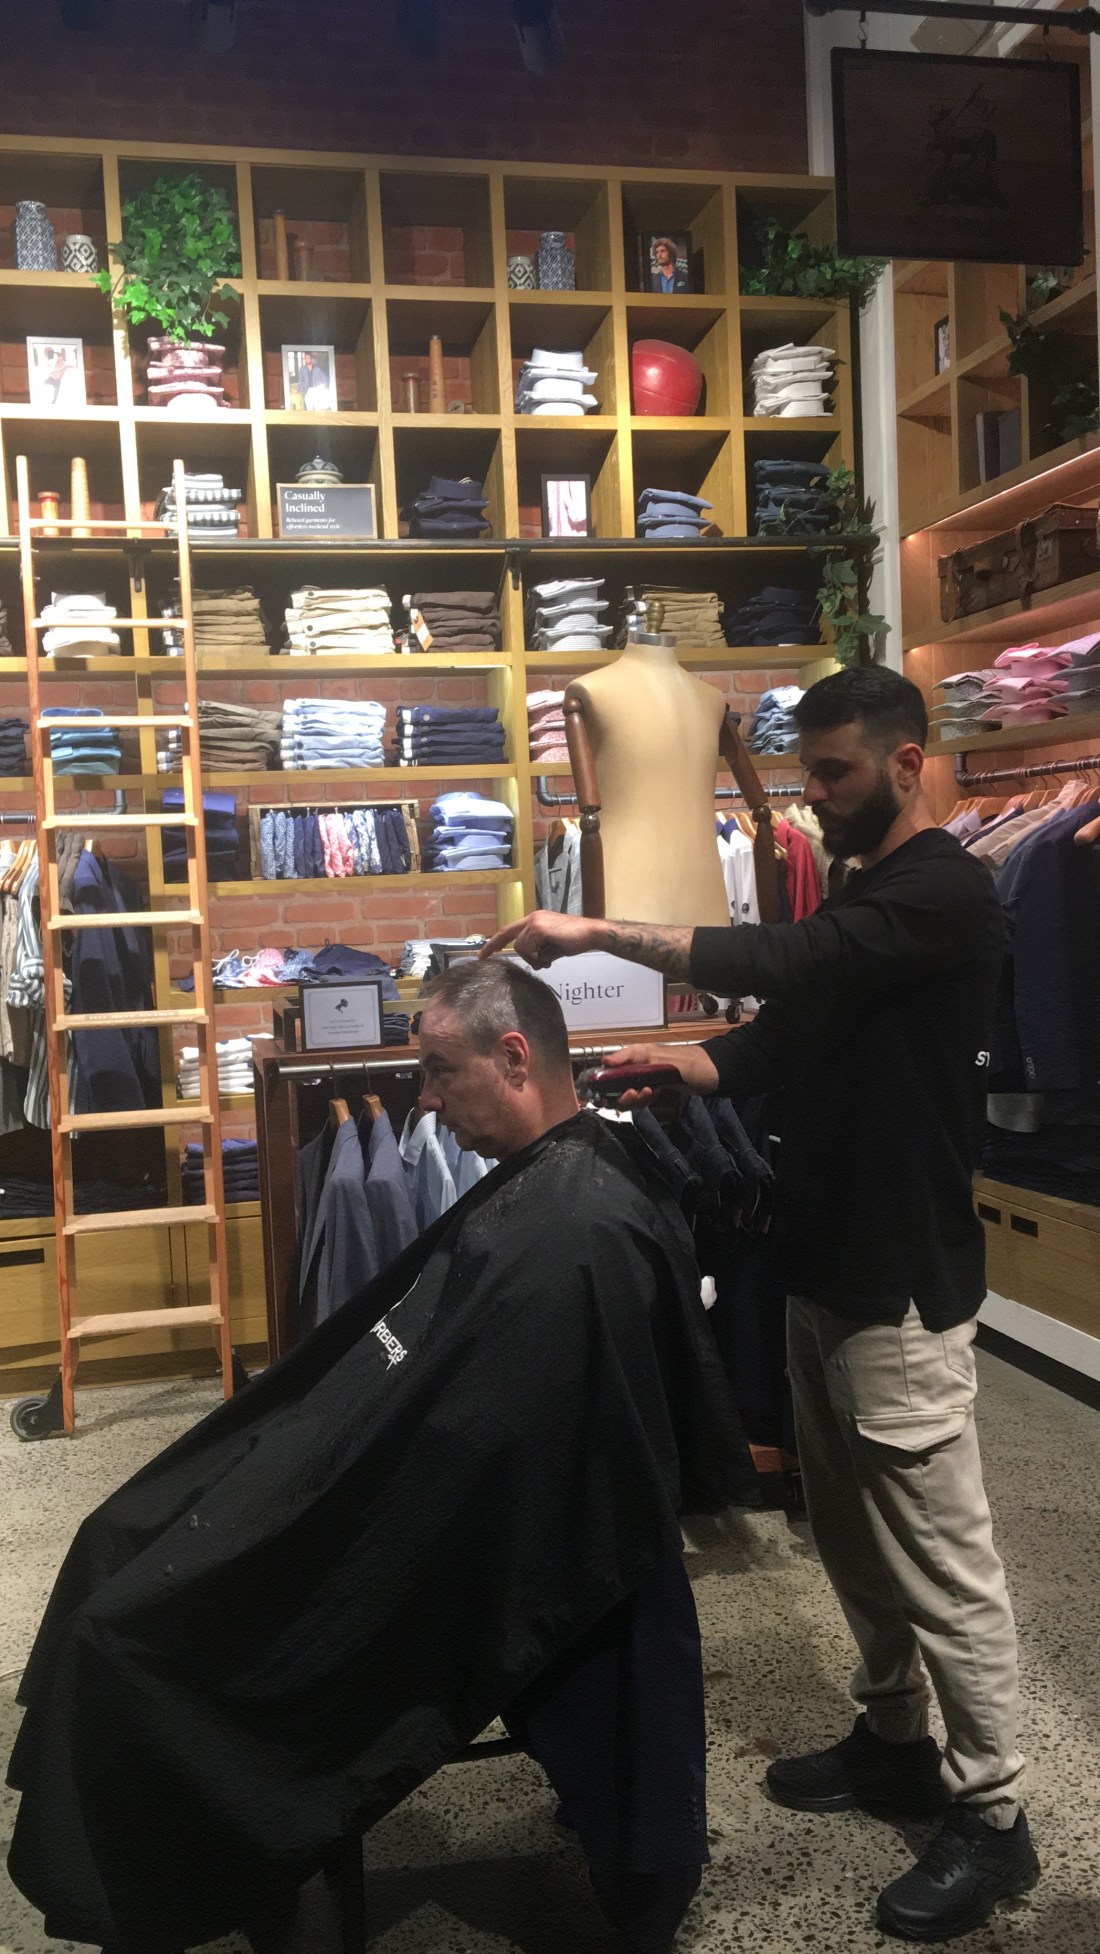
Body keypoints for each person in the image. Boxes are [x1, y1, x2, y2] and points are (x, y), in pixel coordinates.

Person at [8, 959, 755, 1954]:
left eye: (440, 1072)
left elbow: (503, 1473)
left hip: (470, 1530)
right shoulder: (557, 1192)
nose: (425, 1101)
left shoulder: (578, 1231)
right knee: (120, 1532)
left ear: (514, 1056)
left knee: (129, 1637)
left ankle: (216, 1856)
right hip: (438, 1482)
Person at [483, 666, 1041, 1943]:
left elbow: (786, 958)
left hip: (900, 1282)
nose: (814, 795)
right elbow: (794, 1028)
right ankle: (894, 1740)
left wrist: (598, 931)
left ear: (906, 764)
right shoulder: (861, 881)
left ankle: (995, 1811)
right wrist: (692, 1065)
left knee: (941, 1558)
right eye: (808, 771)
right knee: (848, 1535)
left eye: (834, 773)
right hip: (821, 1261)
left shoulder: (942, 888)